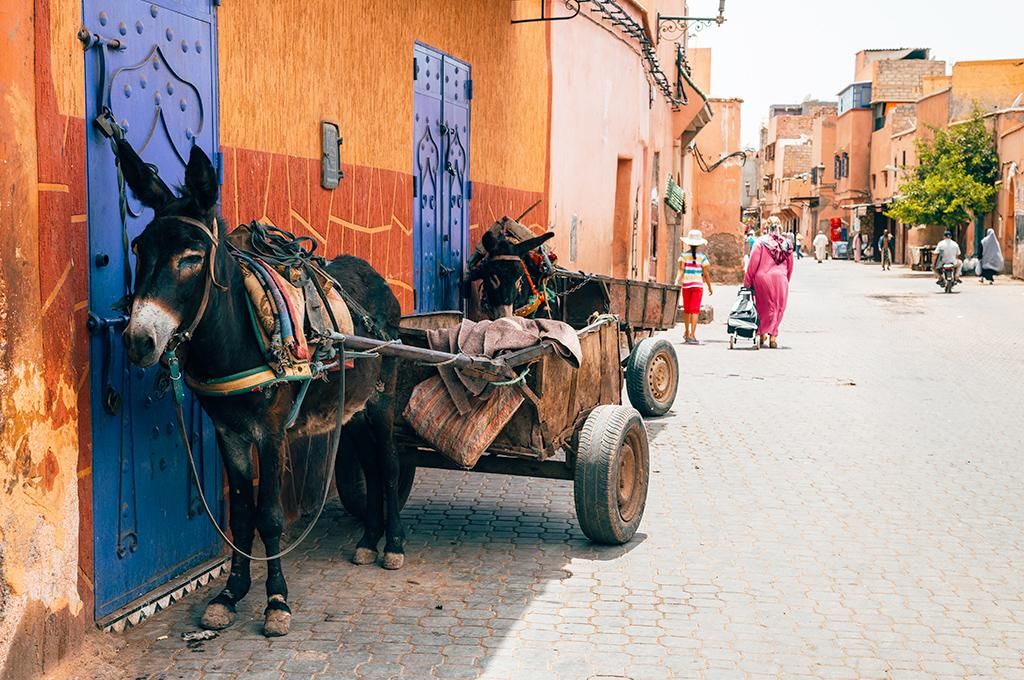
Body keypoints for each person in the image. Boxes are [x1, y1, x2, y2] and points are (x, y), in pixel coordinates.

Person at [744, 217, 793, 349]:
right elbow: (790, 266)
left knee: (763, 307)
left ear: (766, 227)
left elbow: (753, 264)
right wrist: (785, 280)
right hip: (781, 279)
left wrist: (747, 282)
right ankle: (773, 337)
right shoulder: (786, 244)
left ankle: (761, 334)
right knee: (778, 307)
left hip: (763, 279)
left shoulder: (760, 242)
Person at [674, 229, 713, 345]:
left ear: (689, 243)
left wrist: (677, 281)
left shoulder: (683, 256)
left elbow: (680, 270)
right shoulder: (703, 257)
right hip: (697, 286)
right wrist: (710, 287)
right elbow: (706, 274)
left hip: (686, 285)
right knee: (695, 310)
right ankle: (693, 334)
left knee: (687, 310)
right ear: (699, 244)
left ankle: (686, 332)